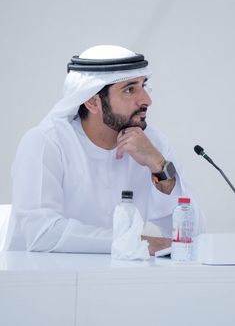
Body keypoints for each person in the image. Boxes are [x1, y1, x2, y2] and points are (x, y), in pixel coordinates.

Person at [3, 45, 205, 254]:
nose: (147, 100)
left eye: (144, 85)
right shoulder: (46, 142)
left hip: (118, 277)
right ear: (92, 101)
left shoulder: (152, 143)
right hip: (45, 279)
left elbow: (194, 235)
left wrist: (159, 166)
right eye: (129, 89)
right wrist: (136, 242)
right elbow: (41, 234)